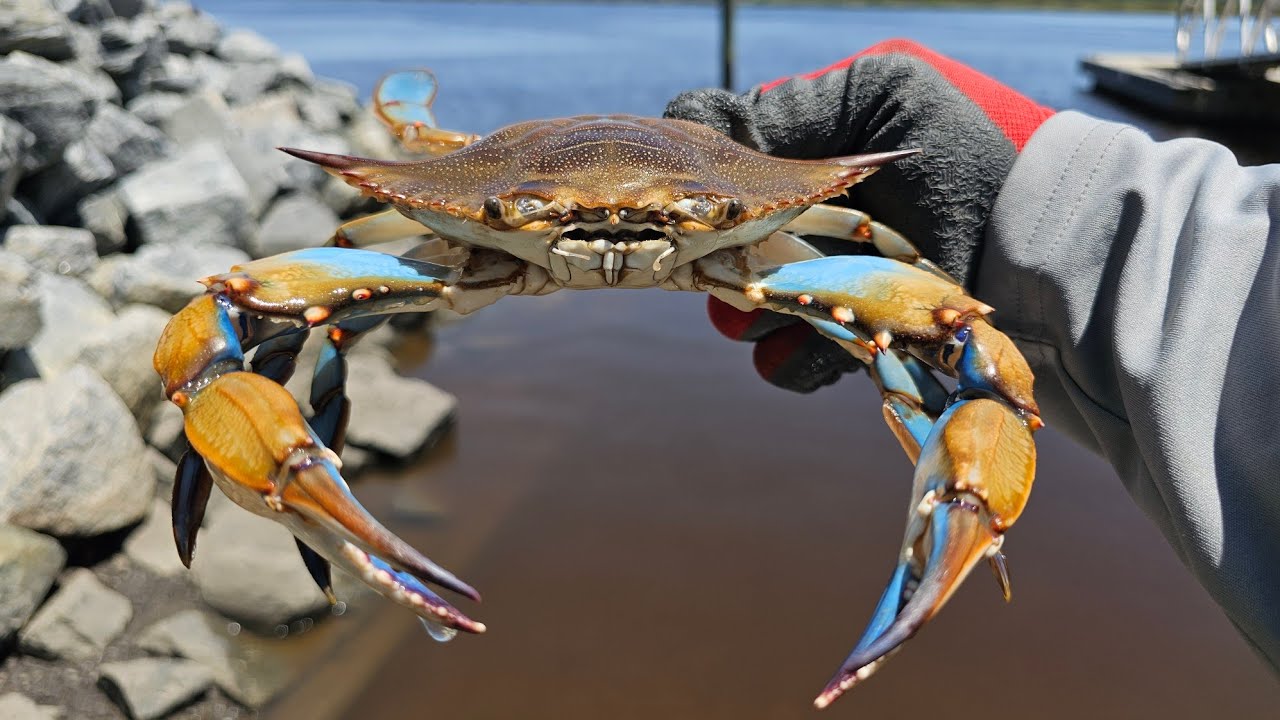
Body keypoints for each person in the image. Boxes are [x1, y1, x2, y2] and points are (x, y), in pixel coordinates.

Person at [664, 39, 1280, 674]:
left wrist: (1009, 202)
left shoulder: (824, 234)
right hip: (736, 232)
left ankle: (948, 531)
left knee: (969, 352)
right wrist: (1049, 209)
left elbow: (875, 241)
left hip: (748, 243)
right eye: (557, 224)